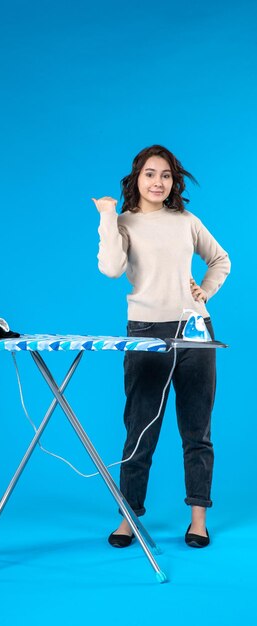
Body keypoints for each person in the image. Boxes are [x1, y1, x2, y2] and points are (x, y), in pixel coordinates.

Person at [92, 144, 231, 548]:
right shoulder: (123, 221)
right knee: (140, 430)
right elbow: (111, 268)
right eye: (151, 173)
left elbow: (220, 259)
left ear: (174, 182)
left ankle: (198, 519)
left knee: (197, 429)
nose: (158, 181)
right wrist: (105, 216)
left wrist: (204, 292)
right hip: (145, 330)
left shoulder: (186, 220)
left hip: (194, 331)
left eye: (166, 175)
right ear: (137, 178)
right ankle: (128, 518)